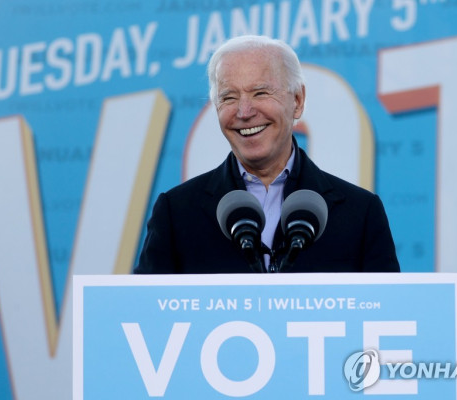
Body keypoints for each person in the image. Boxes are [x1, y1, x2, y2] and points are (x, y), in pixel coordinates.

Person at [134, 35, 400, 274]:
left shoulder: (361, 214)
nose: (244, 111)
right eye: (229, 98)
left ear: (297, 101)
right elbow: (144, 315)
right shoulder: (176, 213)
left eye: (260, 93)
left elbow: (387, 316)